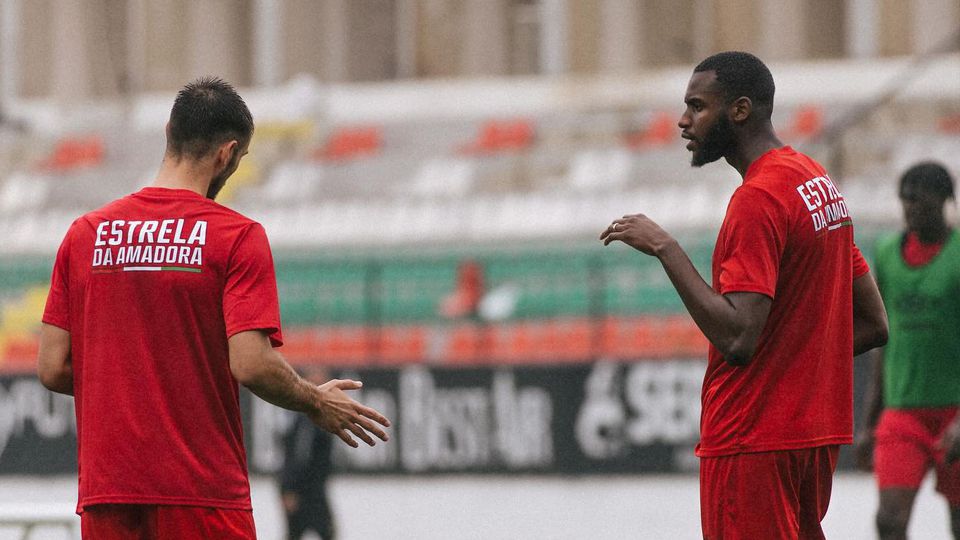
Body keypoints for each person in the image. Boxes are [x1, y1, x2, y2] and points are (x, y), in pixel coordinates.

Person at [36, 77, 390, 540]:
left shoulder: (86, 234)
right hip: (201, 492)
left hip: (109, 492)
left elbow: (52, 366)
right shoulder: (236, 237)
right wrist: (315, 400)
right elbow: (251, 363)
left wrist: (133, 391)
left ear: (168, 132)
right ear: (226, 155)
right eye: (239, 160)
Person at [600, 51, 889, 539]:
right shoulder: (815, 182)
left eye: (697, 106)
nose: (683, 120)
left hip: (750, 437)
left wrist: (666, 248)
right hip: (810, 437)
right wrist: (797, 368)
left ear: (738, 110)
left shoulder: (759, 199)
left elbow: (739, 337)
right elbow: (873, 322)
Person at [854, 162, 960, 540]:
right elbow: (884, 340)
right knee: (889, 521)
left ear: (946, 201)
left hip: (954, 413)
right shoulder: (885, 253)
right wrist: (869, 423)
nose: (911, 209)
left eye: (921, 202)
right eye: (905, 201)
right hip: (903, 414)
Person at [280, 367, 338, 540]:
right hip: (306, 492)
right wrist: (289, 488)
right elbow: (299, 455)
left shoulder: (305, 416)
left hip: (312, 488)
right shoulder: (309, 418)